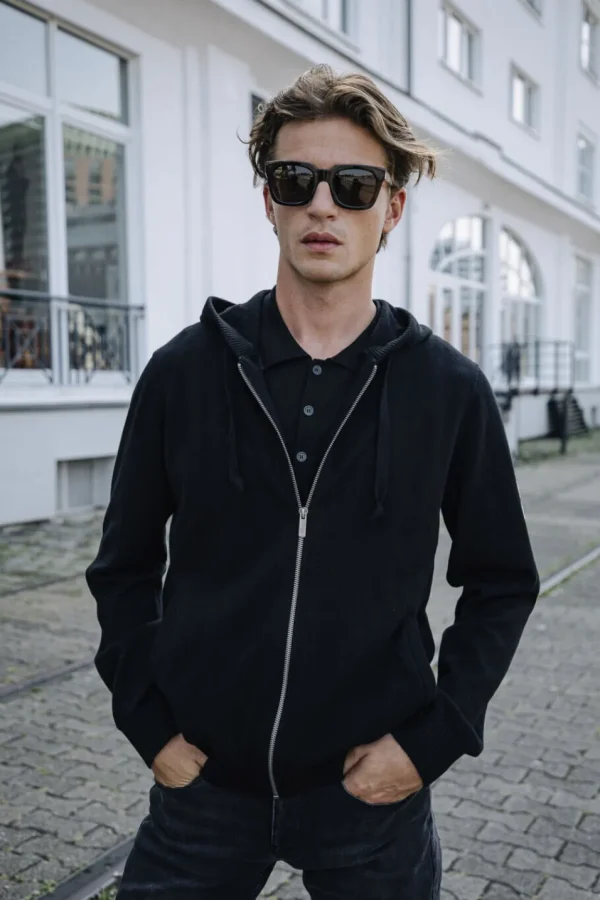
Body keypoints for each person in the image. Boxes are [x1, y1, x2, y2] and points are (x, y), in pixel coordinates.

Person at [86, 64, 540, 900]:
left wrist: (431, 742)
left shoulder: (449, 390)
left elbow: (503, 581)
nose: (322, 205)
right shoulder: (184, 373)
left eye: (354, 185)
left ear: (391, 208)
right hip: (203, 790)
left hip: (372, 798)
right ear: (270, 200)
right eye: (297, 180)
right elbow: (123, 566)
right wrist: (150, 727)